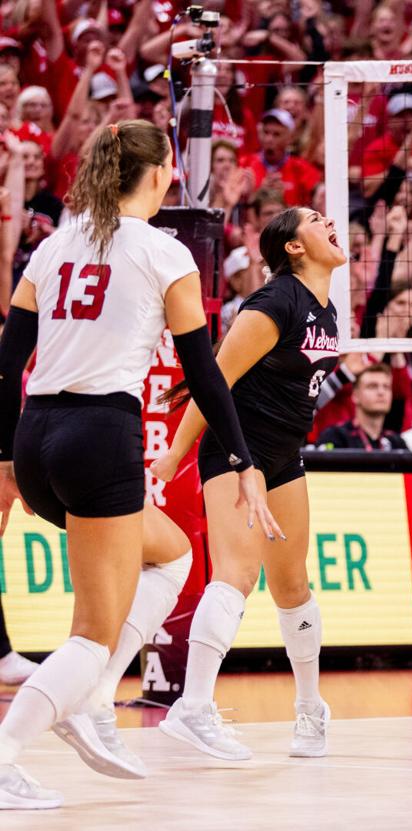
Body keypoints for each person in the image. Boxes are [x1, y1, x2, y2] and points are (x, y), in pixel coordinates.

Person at [0, 119, 278, 808]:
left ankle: (92, 700)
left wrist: (6, 457)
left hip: (36, 432)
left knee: (173, 554)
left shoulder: (52, 246)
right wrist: (243, 456)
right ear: (155, 177)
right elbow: (204, 372)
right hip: (100, 433)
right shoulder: (164, 252)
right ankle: (11, 750)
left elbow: (8, 363)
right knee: (92, 633)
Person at [148, 207, 346, 761]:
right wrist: (174, 456)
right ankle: (193, 707)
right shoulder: (274, 302)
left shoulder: (326, 310)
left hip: (283, 455)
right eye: (314, 218)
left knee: (293, 585)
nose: (328, 219)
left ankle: (311, 710)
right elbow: (215, 382)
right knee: (237, 573)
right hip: (236, 452)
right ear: (293, 247)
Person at [315, 363, 409, 450]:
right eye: (372, 386)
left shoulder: (396, 442)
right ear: (355, 395)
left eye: (386, 387)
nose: (381, 392)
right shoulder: (335, 436)